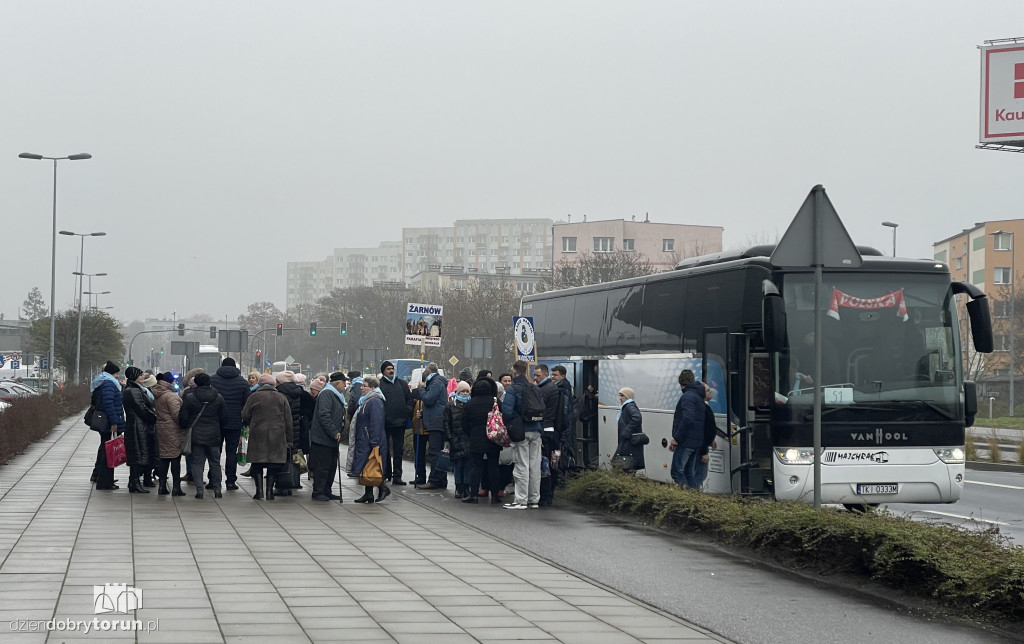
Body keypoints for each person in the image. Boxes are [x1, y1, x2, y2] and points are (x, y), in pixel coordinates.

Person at [242, 373, 293, 501]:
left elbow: (245, 414)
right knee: (273, 464)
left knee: (258, 463)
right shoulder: (281, 398)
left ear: (260, 384)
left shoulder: (254, 397)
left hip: (258, 433)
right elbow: (288, 420)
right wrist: (289, 441)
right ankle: (270, 491)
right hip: (277, 434)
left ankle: (259, 492)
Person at [179, 372, 229, 499]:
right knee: (215, 463)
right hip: (214, 434)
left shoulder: (190, 397)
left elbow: (183, 418)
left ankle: (199, 490)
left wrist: (186, 426)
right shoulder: (218, 397)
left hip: (196, 435)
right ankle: (217, 489)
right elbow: (225, 418)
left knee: (196, 463)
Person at [502, 360, 543, 510]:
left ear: (514, 372)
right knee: (534, 466)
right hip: (536, 430)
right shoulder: (535, 388)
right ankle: (534, 499)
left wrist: (512, 425)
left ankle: (521, 500)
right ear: (526, 371)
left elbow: (506, 412)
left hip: (521, 431)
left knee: (521, 465)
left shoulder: (513, 389)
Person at [209, 357, 251, 491]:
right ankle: (230, 481)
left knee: (215, 451)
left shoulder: (212, 380)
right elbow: (247, 404)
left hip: (216, 421)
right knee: (231, 452)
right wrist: (245, 421)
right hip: (235, 422)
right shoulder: (243, 383)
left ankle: (213, 480)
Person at [350, 376, 390, 503]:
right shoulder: (366, 400)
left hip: (371, 440)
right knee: (367, 466)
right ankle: (368, 494)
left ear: (372, 388)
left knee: (373, 465)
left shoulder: (374, 401)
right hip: (365, 439)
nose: (362, 388)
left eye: (364, 385)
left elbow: (376, 422)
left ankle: (382, 487)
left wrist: (374, 441)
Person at [309, 372, 348, 501]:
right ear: (337, 384)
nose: (345, 386)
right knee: (322, 466)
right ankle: (318, 491)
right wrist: (334, 431)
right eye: (344, 383)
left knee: (331, 466)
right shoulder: (327, 394)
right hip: (323, 438)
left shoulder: (336, 395)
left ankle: (327, 490)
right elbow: (324, 415)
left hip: (331, 439)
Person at [463, 378, 502, 504]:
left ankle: (473, 495)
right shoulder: (495, 402)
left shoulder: (470, 404)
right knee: (493, 466)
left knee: (476, 466)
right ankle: (495, 495)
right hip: (493, 437)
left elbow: (464, 422)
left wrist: (471, 433)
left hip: (476, 437)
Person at [413, 362, 449, 489]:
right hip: (435, 419)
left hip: (436, 422)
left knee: (434, 452)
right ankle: (441, 479)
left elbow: (428, 399)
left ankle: (434, 480)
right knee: (438, 452)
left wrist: (421, 388)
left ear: (428, 372)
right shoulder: (438, 382)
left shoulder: (435, 383)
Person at [122, 366, 158, 494]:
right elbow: (141, 408)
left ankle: (135, 481)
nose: (143, 377)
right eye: (140, 375)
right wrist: (154, 417)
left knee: (139, 454)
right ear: (134, 376)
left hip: (137, 425)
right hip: (138, 426)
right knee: (138, 455)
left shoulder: (132, 389)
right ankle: (135, 482)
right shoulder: (134, 391)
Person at [378, 360, 414, 486]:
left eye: (392, 368)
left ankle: (397, 476)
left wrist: (406, 412)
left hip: (400, 422)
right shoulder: (380, 385)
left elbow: (410, 399)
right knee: (384, 449)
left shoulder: (402, 384)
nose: (391, 370)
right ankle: (385, 473)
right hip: (385, 423)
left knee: (398, 451)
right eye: (388, 369)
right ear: (383, 371)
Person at [669, 369, 706, 489]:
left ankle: (686, 498)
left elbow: (688, 418)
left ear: (681, 382)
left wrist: (677, 437)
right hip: (696, 442)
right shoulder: (698, 397)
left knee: (677, 472)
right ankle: (694, 500)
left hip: (686, 442)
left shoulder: (687, 397)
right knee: (690, 473)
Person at [91, 361, 124, 491]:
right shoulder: (109, 384)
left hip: (107, 422)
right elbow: (109, 404)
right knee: (108, 452)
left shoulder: (104, 382)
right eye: (116, 373)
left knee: (106, 450)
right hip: (109, 423)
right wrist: (114, 422)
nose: (117, 376)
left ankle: (105, 479)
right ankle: (105, 481)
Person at [152, 372, 185, 496]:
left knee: (163, 458)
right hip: (172, 429)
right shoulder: (171, 396)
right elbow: (177, 415)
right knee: (175, 457)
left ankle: (162, 486)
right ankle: (176, 487)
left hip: (161, 428)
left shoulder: (158, 393)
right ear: (171, 382)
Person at [274, 370, 304, 496]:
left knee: (280, 458)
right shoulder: (300, 392)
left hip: (282, 429)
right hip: (297, 429)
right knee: (293, 457)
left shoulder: (280, 394)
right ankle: (293, 482)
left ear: (280, 382)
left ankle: (282, 485)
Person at [535, 364, 560, 506]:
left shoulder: (546, 389)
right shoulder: (550, 387)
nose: (535, 378)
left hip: (546, 430)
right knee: (551, 463)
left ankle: (546, 495)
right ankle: (548, 494)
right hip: (550, 430)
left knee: (545, 464)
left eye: (538, 376)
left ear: (545, 375)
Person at [444, 380, 472, 498]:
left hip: (468, 440)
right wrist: (449, 438)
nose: (465, 394)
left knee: (467, 464)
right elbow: (446, 423)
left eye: (467, 391)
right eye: (463, 391)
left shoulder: (471, 405)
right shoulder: (450, 405)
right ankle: (458, 487)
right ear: (458, 392)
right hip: (455, 440)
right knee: (458, 464)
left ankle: (466, 486)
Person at [695, 383, 721, 489]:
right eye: (707, 390)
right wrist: (704, 452)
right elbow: (702, 431)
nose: (710, 391)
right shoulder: (703, 408)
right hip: (701, 449)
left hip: (702, 446)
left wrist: (711, 440)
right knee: (699, 475)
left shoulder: (704, 406)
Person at [613, 387, 645, 473]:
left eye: (622, 396)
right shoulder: (628, 406)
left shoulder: (629, 406)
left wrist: (626, 432)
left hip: (627, 442)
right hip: (626, 441)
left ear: (628, 396)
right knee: (623, 465)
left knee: (620, 465)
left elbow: (637, 417)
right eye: (620, 395)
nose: (620, 398)